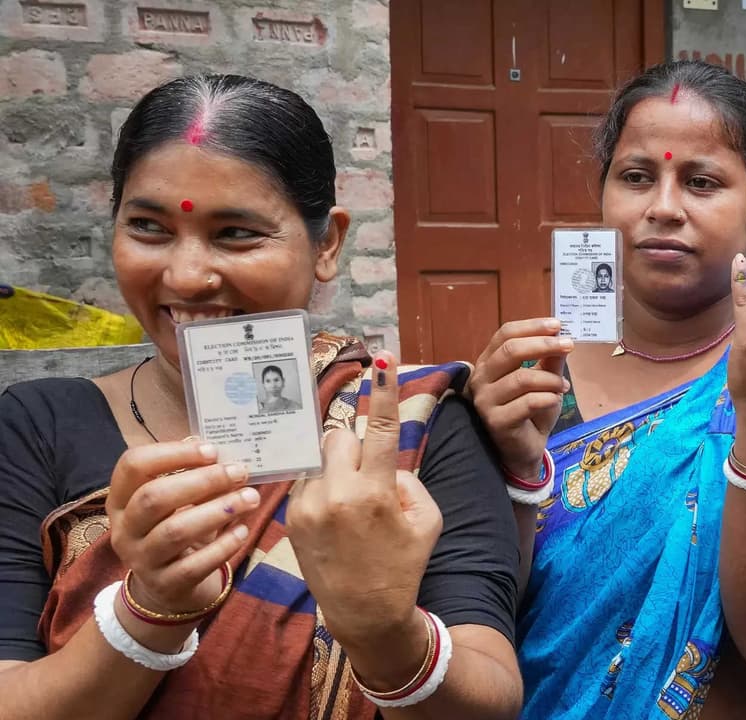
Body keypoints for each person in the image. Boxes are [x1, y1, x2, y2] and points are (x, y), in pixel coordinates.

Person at [0, 75, 522, 720]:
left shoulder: (413, 424)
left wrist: (386, 630)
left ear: (326, 244)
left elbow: (492, 697)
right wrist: (149, 611)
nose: (187, 276)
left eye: (237, 233)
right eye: (147, 227)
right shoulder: (35, 427)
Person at [468, 60, 746, 720]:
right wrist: (515, 466)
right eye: (637, 177)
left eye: (700, 182)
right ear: (604, 194)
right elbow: (484, 613)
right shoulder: (535, 376)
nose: (662, 208)